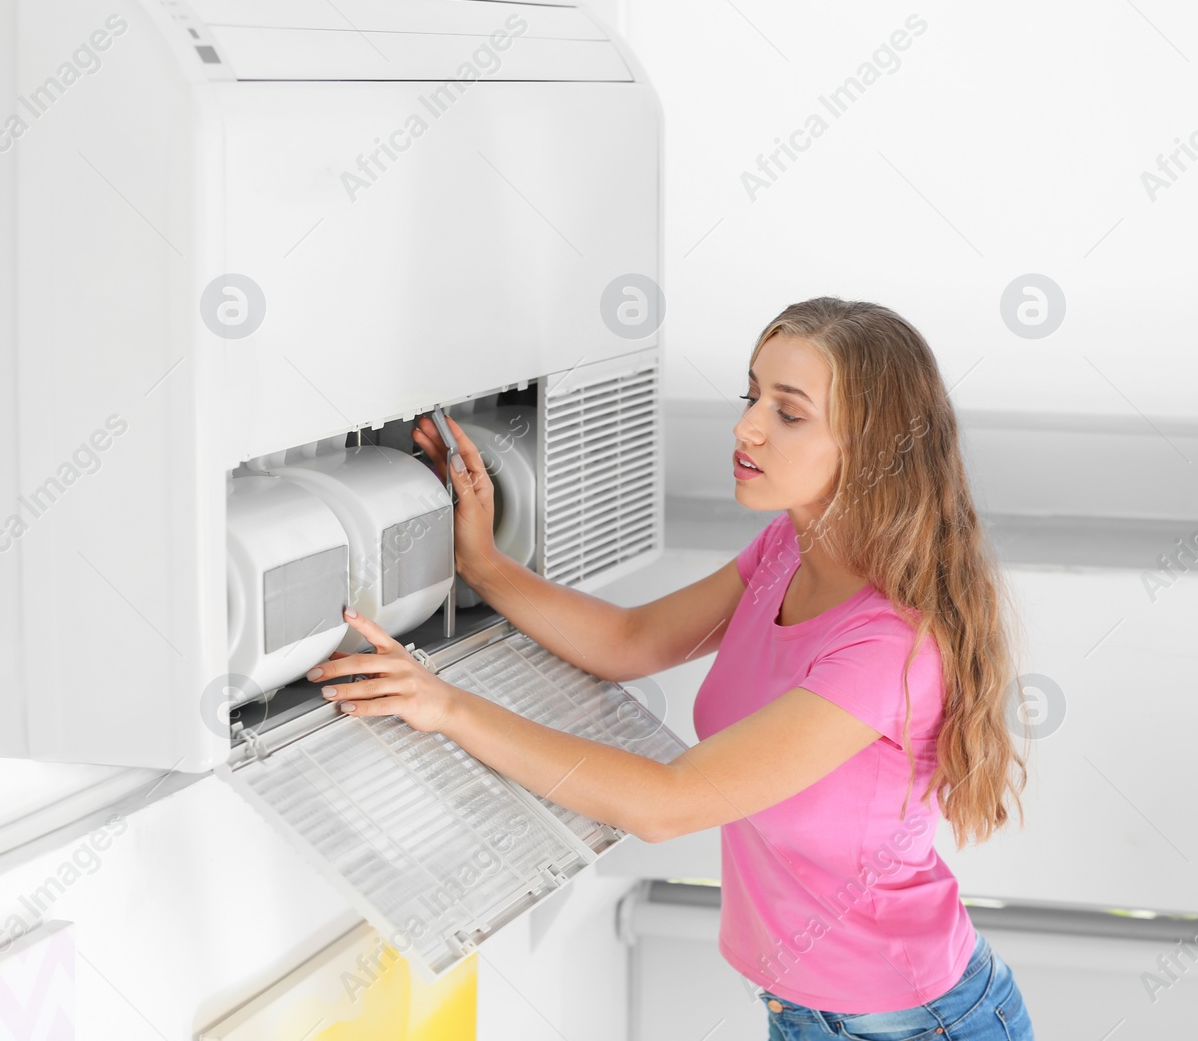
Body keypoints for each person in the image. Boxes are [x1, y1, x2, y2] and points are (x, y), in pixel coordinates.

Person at [304, 297, 1037, 1038]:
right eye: (752, 395)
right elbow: (632, 638)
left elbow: (667, 802)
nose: (745, 426)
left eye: (789, 413)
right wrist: (486, 566)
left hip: (922, 1023)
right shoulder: (789, 550)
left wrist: (447, 706)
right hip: (812, 1014)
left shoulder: (888, 647)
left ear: (873, 445)